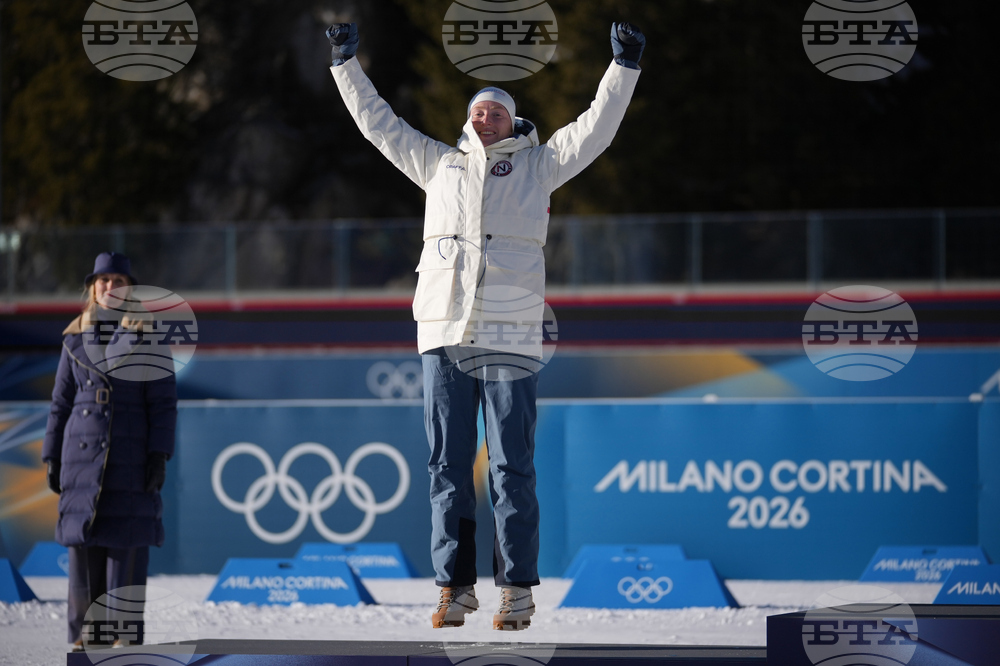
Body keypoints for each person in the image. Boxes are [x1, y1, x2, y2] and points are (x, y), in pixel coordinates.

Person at [327, 21, 644, 630]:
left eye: (495, 111)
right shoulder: (438, 164)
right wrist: (345, 64)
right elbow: (378, 123)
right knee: (446, 467)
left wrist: (623, 66)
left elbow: (597, 127)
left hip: (508, 335)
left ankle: (517, 589)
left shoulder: (541, 165)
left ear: (513, 120)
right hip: (443, 331)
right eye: (476, 111)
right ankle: (454, 587)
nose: (484, 119)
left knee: (510, 466)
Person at [42, 252, 177, 651]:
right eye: (104, 280)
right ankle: (88, 635)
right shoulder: (72, 339)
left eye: (119, 280)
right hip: (81, 458)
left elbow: (163, 404)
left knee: (125, 549)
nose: (110, 287)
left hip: (130, 458)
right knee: (85, 551)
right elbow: (59, 403)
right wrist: (52, 455)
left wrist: (158, 455)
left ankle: (123, 637)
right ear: (92, 287)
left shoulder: (150, 336)